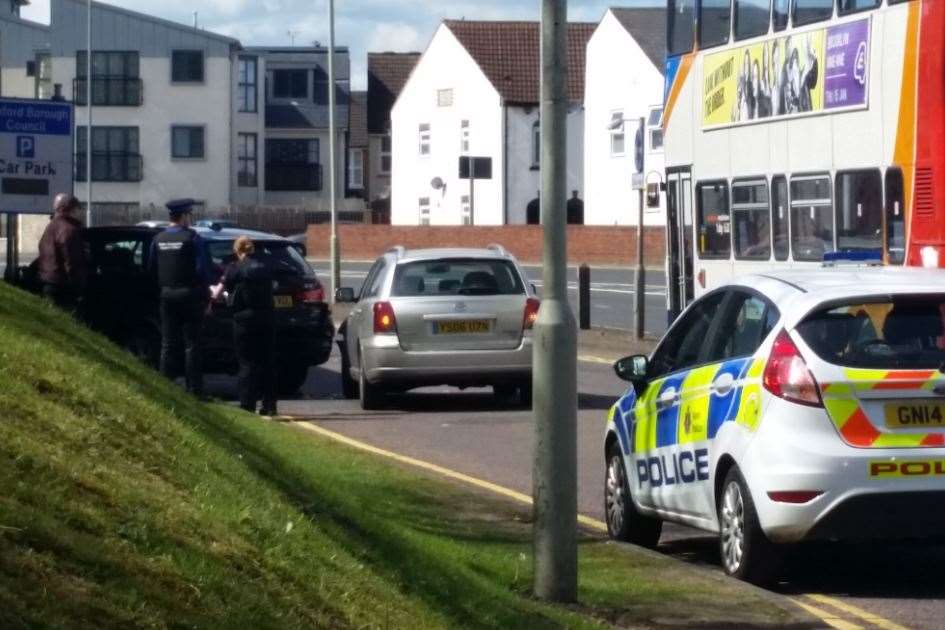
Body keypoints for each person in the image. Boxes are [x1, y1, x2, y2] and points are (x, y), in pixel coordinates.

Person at [149, 198, 215, 398]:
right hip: (190, 295)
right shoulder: (192, 238)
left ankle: (164, 387)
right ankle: (194, 389)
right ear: (184, 216)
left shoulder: (157, 239)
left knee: (168, 343)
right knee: (192, 344)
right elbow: (202, 269)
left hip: (167, 295)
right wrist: (206, 294)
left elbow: (151, 268)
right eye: (190, 215)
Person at [217, 236, 278, 416]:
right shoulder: (266, 266)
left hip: (244, 319)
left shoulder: (235, 268)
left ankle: (247, 404)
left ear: (237, 250)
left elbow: (220, 290)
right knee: (267, 361)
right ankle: (270, 405)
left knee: (247, 362)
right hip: (267, 317)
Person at [37, 193, 87, 313]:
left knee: (54, 322)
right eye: (79, 208)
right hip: (63, 286)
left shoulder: (51, 226)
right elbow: (72, 261)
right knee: (69, 322)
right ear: (71, 209)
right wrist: (79, 286)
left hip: (48, 282)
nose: (81, 212)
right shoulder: (69, 230)